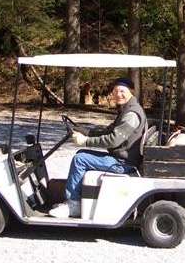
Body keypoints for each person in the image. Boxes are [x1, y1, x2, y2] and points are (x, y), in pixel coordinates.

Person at [49, 77, 147, 218]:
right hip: (122, 159)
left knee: (80, 159)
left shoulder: (131, 114)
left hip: (123, 164)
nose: (118, 94)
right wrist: (86, 132)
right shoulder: (126, 109)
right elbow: (109, 131)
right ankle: (74, 200)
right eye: (115, 91)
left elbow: (113, 140)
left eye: (122, 91)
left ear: (131, 91)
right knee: (82, 154)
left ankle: (73, 204)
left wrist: (86, 141)